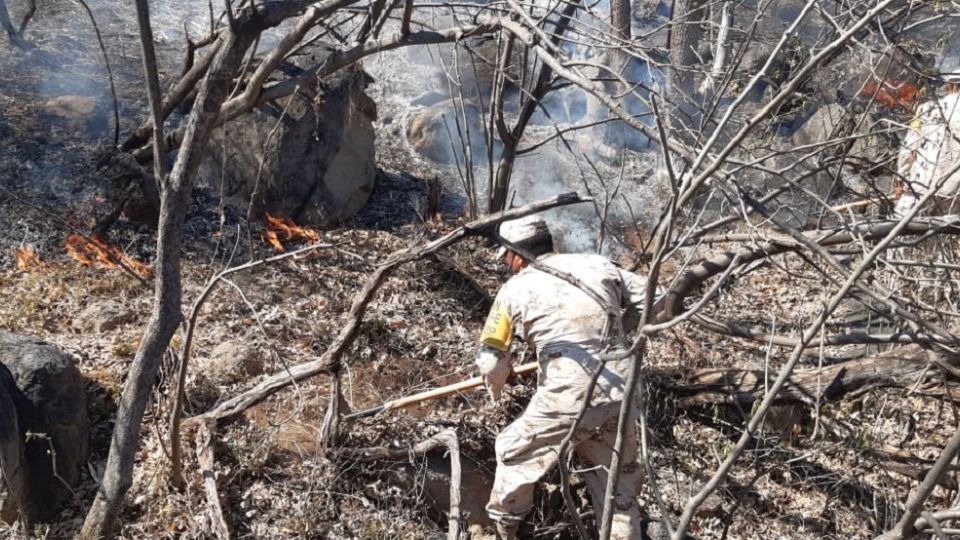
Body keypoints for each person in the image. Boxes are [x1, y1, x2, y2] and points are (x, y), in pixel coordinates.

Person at [475, 215, 654, 539]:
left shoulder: (513, 289)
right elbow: (656, 298)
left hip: (569, 397)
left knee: (511, 452)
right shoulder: (599, 265)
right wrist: (620, 334)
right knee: (616, 490)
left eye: (507, 259)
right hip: (622, 392)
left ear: (515, 254)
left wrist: (497, 389)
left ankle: (507, 529)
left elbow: (490, 362)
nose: (509, 266)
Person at [894, 47, 960, 218]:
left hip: (919, 188)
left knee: (900, 238)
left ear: (948, 85)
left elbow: (909, 149)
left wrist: (901, 180)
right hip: (953, 196)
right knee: (941, 240)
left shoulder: (927, 109)